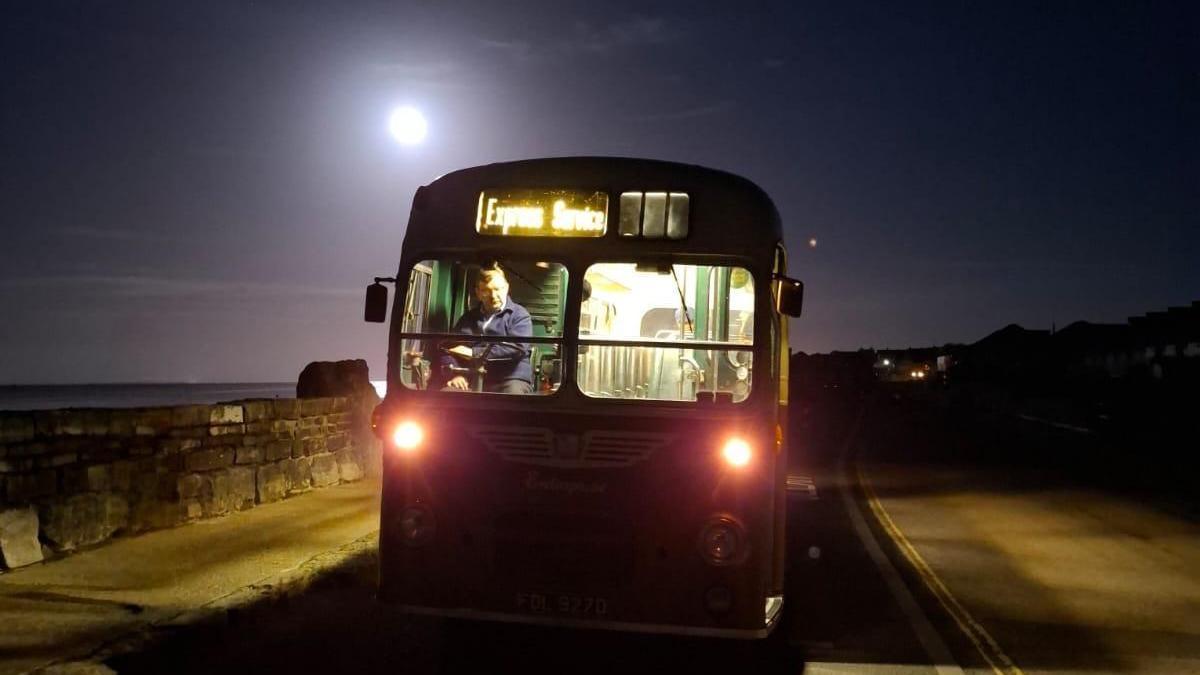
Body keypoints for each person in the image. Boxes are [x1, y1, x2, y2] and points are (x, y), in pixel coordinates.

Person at [439, 264, 533, 394]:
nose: (493, 296)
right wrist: (456, 374)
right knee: (448, 395)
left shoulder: (519, 315)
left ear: (506, 288)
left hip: (510, 379)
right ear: (478, 293)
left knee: (513, 398)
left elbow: (517, 347)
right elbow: (448, 349)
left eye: (497, 289)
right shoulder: (467, 318)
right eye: (486, 291)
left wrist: (473, 353)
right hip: (472, 378)